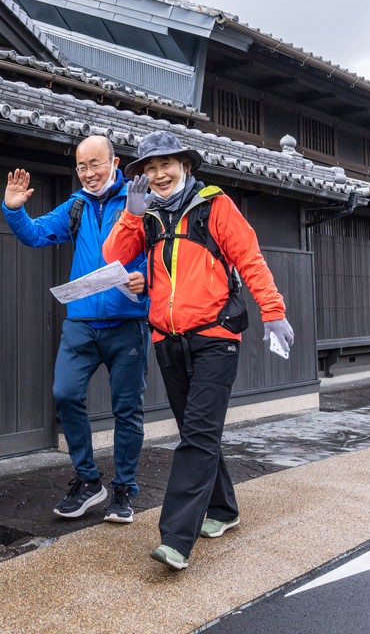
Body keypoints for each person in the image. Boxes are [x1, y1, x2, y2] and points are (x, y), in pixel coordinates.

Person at [102, 131, 295, 569]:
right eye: (149, 169)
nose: (158, 175)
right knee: (198, 432)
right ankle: (224, 510)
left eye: (165, 165)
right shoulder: (146, 215)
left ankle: (176, 537)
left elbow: (250, 259)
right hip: (167, 339)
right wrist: (131, 215)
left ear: (185, 165)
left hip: (215, 336)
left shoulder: (214, 205)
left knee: (199, 435)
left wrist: (274, 311)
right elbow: (113, 255)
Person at [2, 135, 150, 523]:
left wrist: (144, 280)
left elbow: (164, 255)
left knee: (127, 409)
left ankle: (123, 490)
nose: (89, 173)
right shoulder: (77, 207)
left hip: (128, 324)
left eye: (96, 164)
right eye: (82, 166)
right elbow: (35, 235)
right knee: (65, 395)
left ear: (115, 163)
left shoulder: (140, 204)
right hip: (81, 323)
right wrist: (14, 210)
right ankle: (88, 482)